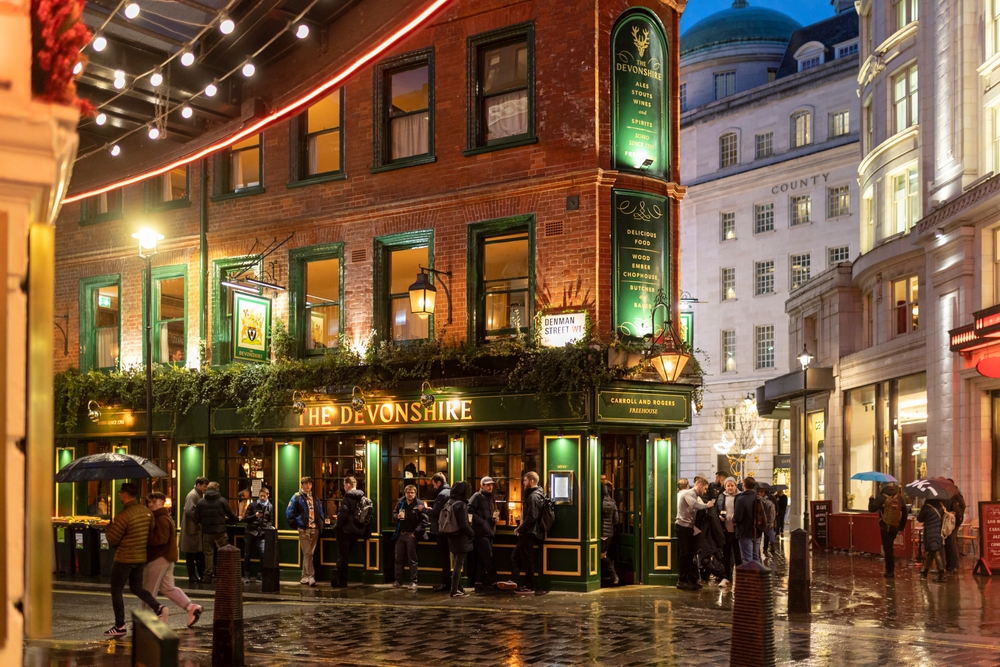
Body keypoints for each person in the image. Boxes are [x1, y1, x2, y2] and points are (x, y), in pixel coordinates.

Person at [103, 482, 165, 637]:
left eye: (120, 494)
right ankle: (158, 607)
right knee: (137, 588)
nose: (119, 496)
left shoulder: (123, 516)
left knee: (116, 590)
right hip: (140, 558)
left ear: (124, 495)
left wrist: (108, 529)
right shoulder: (147, 512)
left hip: (124, 558)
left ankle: (119, 625)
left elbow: (113, 540)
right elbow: (150, 531)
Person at [142, 492, 203, 627]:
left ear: (162, 502)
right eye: (149, 501)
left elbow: (161, 539)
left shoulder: (160, 518)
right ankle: (191, 607)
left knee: (148, 590)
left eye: (154, 501)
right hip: (167, 557)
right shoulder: (163, 516)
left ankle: (144, 618)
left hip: (158, 558)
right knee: (168, 588)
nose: (151, 504)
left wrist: (145, 536)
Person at [674, 477, 715, 590]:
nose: (705, 491)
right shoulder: (689, 493)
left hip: (688, 527)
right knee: (684, 554)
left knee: (689, 554)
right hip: (683, 527)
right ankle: (682, 580)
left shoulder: (694, 494)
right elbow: (694, 505)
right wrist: (707, 505)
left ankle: (689, 579)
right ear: (700, 485)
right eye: (705, 489)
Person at [511, 471, 546, 595]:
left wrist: (520, 529)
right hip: (530, 532)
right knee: (517, 557)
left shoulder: (533, 497)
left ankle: (528, 585)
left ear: (531, 481)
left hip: (529, 532)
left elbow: (532, 516)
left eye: (525, 480)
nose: (523, 482)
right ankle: (515, 581)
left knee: (526, 559)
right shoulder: (538, 494)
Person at [194, 481, 237, 583]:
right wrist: (233, 519)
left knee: (208, 554)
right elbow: (231, 515)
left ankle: (207, 576)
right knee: (223, 553)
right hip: (220, 531)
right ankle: (224, 574)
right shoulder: (222, 501)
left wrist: (204, 522)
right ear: (217, 489)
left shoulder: (201, 502)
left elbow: (196, 517)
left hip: (207, 532)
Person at [469, 476, 507, 591]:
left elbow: (491, 512)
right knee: (488, 557)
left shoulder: (491, 497)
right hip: (480, 532)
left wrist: (493, 519)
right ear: (482, 486)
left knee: (482, 558)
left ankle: (478, 582)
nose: (490, 487)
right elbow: (469, 511)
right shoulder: (477, 496)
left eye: (491, 485)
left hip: (489, 531)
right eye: (487, 485)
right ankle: (494, 581)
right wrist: (483, 522)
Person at [286, 476, 324, 586]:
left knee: (309, 554)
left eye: (310, 484)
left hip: (314, 529)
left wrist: (320, 522)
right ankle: (311, 576)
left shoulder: (315, 498)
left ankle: (304, 576)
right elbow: (289, 513)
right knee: (308, 553)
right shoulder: (297, 497)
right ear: (301, 485)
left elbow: (320, 511)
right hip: (304, 529)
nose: (308, 486)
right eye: (306, 484)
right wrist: (298, 525)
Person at [868, 483, 908, 578]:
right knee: (890, 547)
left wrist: (871, 500)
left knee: (888, 548)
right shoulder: (899, 497)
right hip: (895, 526)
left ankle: (890, 571)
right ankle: (890, 569)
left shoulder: (881, 497)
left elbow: (871, 509)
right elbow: (905, 512)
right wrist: (901, 526)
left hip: (885, 527)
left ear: (882, 487)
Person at [334, 476, 367, 588]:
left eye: (344, 485)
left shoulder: (346, 498)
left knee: (342, 557)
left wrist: (336, 527)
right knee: (345, 556)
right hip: (357, 531)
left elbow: (342, 516)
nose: (343, 487)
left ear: (348, 485)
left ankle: (342, 580)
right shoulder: (362, 496)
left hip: (345, 531)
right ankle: (339, 576)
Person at [445, 481, 475, 598]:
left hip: (451, 535)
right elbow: (464, 524)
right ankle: (454, 590)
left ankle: (459, 588)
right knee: (458, 564)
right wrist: (471, 533)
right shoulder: (461, 505)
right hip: (461, 537)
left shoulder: (450, 502)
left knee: (456, 563)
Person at [392, 484, 425, 590]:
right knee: (398, 559)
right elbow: (394, 513)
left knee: (412, 560)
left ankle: (413, 581)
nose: (410, 494)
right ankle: (398, 581)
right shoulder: (401, 503)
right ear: (405, 493)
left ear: (415, 493)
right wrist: (396, 516)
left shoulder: (419, 504)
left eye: (412, 492)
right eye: (408, 492)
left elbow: (424, 521)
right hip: (401, 534)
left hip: (412, 535)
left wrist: (415, 533)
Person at [423, 472, 452, 592]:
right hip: (449, 529)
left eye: (434, 484)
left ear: (439, 482)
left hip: (441, 530)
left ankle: (446, 583)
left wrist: (424, 509)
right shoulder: (450, 492)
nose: (433, 486)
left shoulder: (442, 494)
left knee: (444, 557)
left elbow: (436, 512)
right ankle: (449, 582)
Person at [242, 487, 273, 584]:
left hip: (261, 534)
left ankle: (260, 574)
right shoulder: (252, 505)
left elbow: (271, 520)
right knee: (247, 554)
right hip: (250, 532)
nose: (262, 498)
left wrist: (266, 528)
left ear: (268, 496)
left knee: (264, 553)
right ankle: (246, 575)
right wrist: (255, 516)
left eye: (264, 496)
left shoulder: (270, 507)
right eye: (261, 496)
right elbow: (246, 519)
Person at [180, 477, 208, 584]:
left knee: (197, 554)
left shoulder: (197, 494)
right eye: (204, 486)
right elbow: (189, 510)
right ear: (198, 485)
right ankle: (192, 576)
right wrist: (200, 518)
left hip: (194, 529)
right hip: (191, 529)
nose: (205, 488)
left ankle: (199, 575)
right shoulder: (193, 495)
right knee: (191, 555)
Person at [717, 476, 741, 587]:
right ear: (725, 486)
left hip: (737, 531)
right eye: (728, 485)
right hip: (725, 530)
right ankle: (726, 577)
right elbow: (717, 509)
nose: (730, 488)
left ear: (736, 486)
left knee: (738, 555)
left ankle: (740, 578)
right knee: (725, 555)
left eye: (732, 485)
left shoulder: (740, 497)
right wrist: (719, 517)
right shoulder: (721, 497)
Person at [917, 498, 947, 582]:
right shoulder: (940, 506)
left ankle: (941, 574)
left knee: (935, 552)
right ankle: (925, 571)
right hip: (938, 532)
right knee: (931, 552)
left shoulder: (926, 507)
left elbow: (919, 518)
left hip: (930, 532)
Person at [733, 476, 760, 564]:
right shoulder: (757, 498)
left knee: (747, 559)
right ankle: (757, 577)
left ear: (744, 485)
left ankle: (749, 577)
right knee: (756, 557)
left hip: (744, 532)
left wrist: (733, 518)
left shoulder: (741, 499)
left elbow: (737, 518)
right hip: (757, 532)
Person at [945, 479, 967, 573]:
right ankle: (950, 564)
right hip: (955, 521)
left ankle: (953, 565)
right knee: (949, 542)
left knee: (951, 542)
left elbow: (949, 507)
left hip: (952, 521)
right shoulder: (957, 494)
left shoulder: (952, 495)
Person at [600, 482, 620, 586]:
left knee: (602, 555)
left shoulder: (598, 501)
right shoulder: (613, 502)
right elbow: (616, 520)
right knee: (602, 554)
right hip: (609, 533)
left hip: (599, 532)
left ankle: (613, 576)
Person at [758, 487, 777, 559]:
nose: (759, 494)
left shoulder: (768, 502)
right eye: (759, 492)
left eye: (761, 492)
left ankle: (766, 549)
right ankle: (763, 550)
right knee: (761, 537)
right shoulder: (757, 501)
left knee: (767, 536)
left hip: (766, 522)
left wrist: (771, 521)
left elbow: (773, 511)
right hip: (761, 522)